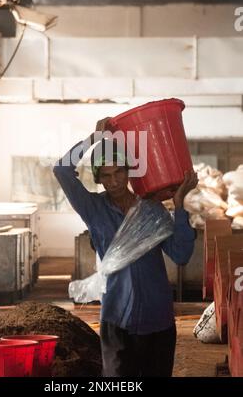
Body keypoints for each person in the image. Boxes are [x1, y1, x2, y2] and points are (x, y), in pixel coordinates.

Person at [53, 118, 198, 377]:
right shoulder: (94, 209)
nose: (114, 181)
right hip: (118, 319)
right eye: (106, 175)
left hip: (158, 319)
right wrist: (92, 140)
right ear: (99, 179)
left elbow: (181, 254)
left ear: (129, 172)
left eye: (119, 172)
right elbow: (62, 170)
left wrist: (178, 206)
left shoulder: (152, 212)